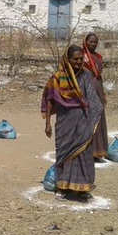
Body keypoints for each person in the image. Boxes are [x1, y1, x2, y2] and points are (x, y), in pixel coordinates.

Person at [41, 45, 103, 202]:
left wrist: (94, 115)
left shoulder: (86, 76)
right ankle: (62, 187)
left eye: (81, 59)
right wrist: (47, 123)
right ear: (67, 60)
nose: (79, 62)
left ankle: (83, 188)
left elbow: (93, 99)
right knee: (64, 155)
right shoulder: (58, 77)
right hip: (65, 122)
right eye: (75, 59)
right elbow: (49, 100)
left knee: (84, 154)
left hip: (83, 121)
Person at [83, 33, 108, 160]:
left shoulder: (98, 57)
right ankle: (86, 151)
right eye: (91, 42)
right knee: (88, 120)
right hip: (86, 92)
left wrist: (103, 94)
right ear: (85, 41)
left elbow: (99, 77)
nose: (93, 44)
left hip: (97, 90)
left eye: (95, 42)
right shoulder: (81, 56)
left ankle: (98, 151)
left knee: (99, 119)